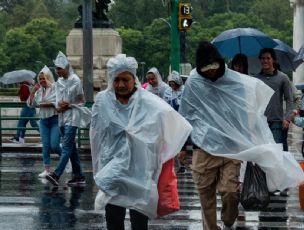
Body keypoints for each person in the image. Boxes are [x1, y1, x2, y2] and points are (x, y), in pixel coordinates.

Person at [179, 41, 304, 230]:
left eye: (214, 68)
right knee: (206, 196)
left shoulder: (234, 81)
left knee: (230, 192)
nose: (211, 73)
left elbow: (246, 111)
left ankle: (229, 219)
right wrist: (182, 147)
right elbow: (186, 115)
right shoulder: (195, 83)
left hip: (231, 148)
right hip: (203, 148)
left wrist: (252, 139)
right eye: (206, 69)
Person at [90, 54, 191, 229]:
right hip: (112, 166)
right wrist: (99, 166)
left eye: (125, 80)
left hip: (140, 167)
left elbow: (173, 123)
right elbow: (97, 134)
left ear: (134, 79)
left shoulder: (149, 102)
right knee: (113, 216)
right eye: (116, 80)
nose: (120, 85)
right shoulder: (103, 101)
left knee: (139, 218)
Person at [46, 51, 86, 187]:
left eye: (59, 68)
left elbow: (80, 99)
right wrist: (59, 106)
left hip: (73, 117)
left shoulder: (75, 80)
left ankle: (56, 174)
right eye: (56, 69)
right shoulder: (59, 81)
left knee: (67, 147)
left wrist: (66, 104)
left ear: (66, 67)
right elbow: (58, 99)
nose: (57, 71)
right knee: (71, 148)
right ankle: (79, 176)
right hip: (62, 117)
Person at [254, 48, 295, 151]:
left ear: (274, 60)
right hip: (260, 122)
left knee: (276, 152)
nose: (265, 61)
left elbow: (289, 99)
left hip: (276, 122)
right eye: (262, 58)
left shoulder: (283, 78)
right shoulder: (256, 79)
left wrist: (287, 118)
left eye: (268, 58)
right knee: (262, 153)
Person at [27, 66, 62, 178]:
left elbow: (57, 102)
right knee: (45, 146)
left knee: (55, 145)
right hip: (43, 121)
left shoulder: (55, 87)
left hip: (54, 119)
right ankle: (46, 169)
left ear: (48, 78)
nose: (41, 81)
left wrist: (45, 104)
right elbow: (31, 104)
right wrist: (32, 92)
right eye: (40, 79)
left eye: (43, 78)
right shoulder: (39, 91)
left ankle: (66, 159)